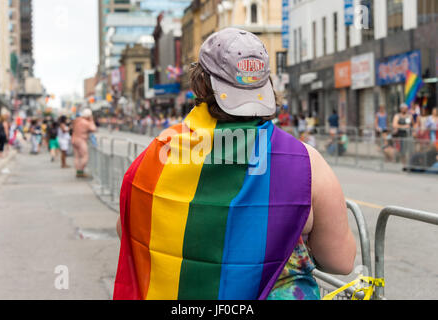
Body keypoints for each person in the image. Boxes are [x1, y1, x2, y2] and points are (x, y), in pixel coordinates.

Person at [113, 28, 356, 301]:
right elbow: (341, 261)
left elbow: (129, 233)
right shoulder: (305, 163)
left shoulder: (157, 155)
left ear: (200, 85)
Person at [72, 109, 97, 178]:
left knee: (76, 157)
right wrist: (91, 120)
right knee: (85, 156)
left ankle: (78, 171)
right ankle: (80, 171)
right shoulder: (86, 122)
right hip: (81, 140)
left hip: (74, 139)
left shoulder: (77, 120)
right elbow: (94, 129)